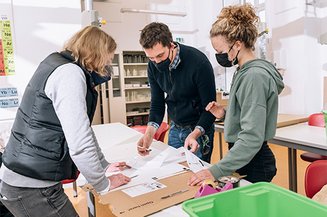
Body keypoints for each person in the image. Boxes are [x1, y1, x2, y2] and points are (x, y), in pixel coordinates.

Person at [0, 26, 131, 216]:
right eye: (108, 59)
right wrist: (104, 184)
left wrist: (104, 165)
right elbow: (80, 143)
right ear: (97, 55)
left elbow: (81, 128)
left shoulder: (56, 63)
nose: (108, 65)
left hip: (25, 178)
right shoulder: (70, 75)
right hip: (31, 187)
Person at [188, 4, 284, 185]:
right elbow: (248, 115)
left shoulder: (254, 76)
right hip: (244, 156)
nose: (219, 57)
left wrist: (214, 171)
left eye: (220, 52)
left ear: (238, 44)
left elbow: (251, 136)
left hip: (253, 160)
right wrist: (225, 114)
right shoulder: (243, 70)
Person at [137, 22, 216, 163]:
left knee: (197, 175)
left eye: (160, 55)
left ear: (171, 45)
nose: (156, 62)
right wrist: (149, 134)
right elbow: (157, 103)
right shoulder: (153, 65)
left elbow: (210, 110)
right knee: (174, 171)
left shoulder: (198, 63)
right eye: (151, 58)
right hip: (175, 127)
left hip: (198, 128)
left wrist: (194, 135)